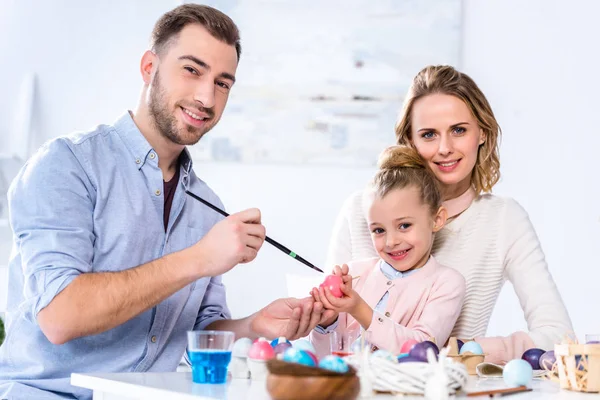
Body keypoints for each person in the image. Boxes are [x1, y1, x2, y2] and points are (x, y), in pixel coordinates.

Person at [0, 5, 333, 399]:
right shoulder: (66, 165)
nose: (207, 96)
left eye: (223, 83)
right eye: (192, 69)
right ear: (148, 67)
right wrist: (200, 258)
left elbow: (200, 334)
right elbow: (60, 316)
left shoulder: (207, 204)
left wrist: (255, 325)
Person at [325, 65, 573, 364]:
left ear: (481, 132)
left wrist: (460, 351)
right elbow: (330, 326)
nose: (445, 148)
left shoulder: (504, 220)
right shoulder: (359, 210)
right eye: (429, 134)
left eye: (459, 130)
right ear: (410, 140)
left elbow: (560, 337)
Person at [309, 146, 466, 357]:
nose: (391, 242)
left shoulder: (446, 283)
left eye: (404, 226)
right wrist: (327, 322)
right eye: (379, 230)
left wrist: (359, 309)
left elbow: (421, 348)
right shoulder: (355, 275)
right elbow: (325, 357)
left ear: (436, 219)